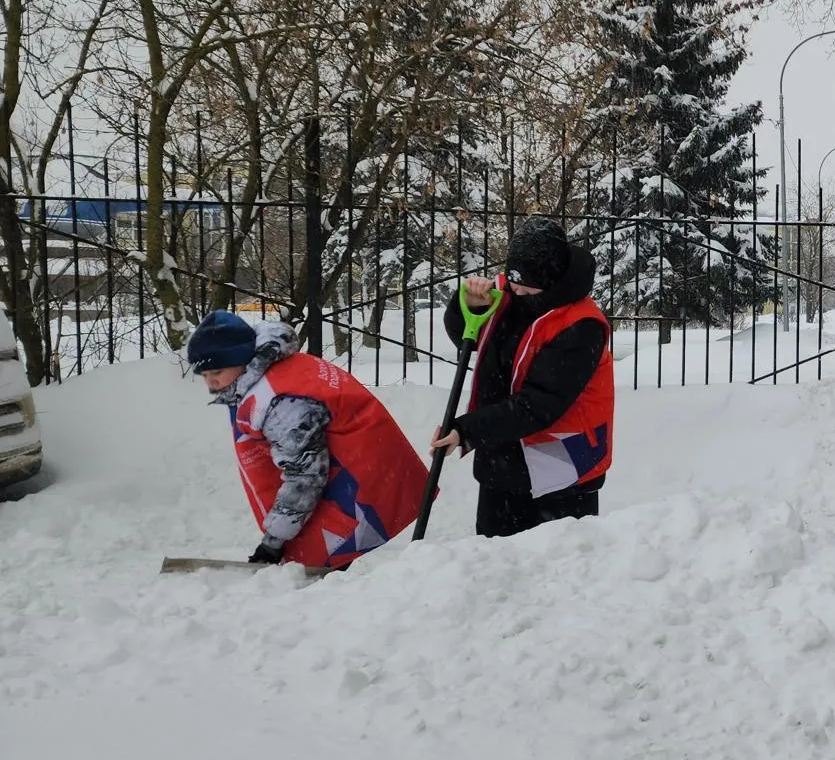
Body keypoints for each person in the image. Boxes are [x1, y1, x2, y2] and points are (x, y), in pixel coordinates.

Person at [188, 311, 427, 569]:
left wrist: (272, 543)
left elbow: (305, 476)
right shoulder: (274, 370)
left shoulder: (280, 402)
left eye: (217, 371)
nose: (211, 383)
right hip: (362, 464)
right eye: (204, 375)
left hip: (358, 480)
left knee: (324, 557)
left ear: (241, 359)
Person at [429, 217, 615, 537]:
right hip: (502, 464)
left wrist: (468, 429)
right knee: (493, 571)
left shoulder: (582, 326)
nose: (514, 289)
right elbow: (469, 337)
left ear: (550, 279)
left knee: (556, 573)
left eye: (524, 283)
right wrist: (469, 309)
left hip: (562, 473)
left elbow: (538, 405)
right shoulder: (510, 293)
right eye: (512, 279)